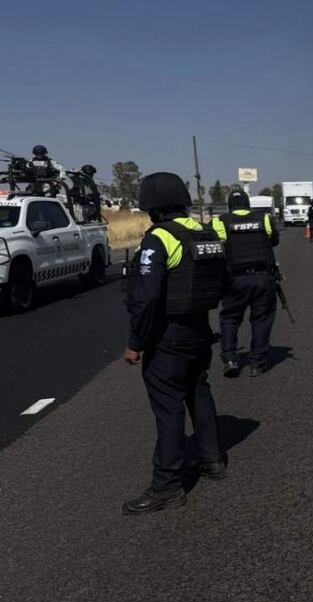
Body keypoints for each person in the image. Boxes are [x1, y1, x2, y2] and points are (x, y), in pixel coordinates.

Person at [122, 172, 228, 515]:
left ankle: (166, 486)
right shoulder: (206, 232)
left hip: (168, 335)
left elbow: (148, 298)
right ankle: (212, 461)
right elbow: (223, 282)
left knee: (168, 408)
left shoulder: (159, 238)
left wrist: (135, 342)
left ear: (153, 209)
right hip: (199, 330)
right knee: (198, 393)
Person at [212, 189, 280, 378]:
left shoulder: (220, 221)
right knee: (261, 319)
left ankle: (230, 359)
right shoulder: (263, 218)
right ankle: (257, 364)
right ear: (248, 204)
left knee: (230, 319)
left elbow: (216, 246)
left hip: (234, 280)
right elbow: (274, 241)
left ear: (230, 206)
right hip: (263, 278)